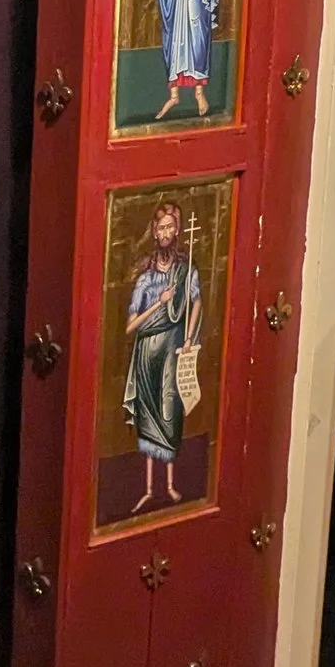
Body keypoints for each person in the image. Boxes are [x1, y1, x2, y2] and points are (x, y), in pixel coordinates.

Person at [122, 201, 201, 513]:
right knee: (148, 420)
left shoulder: (186, 271)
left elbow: (196, 303)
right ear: (154, 232)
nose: (165, 233)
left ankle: (169, 485)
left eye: (170, 227)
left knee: (170, 414)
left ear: (177, 230)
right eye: (161, 228)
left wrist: (189, 338)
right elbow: (131, 326)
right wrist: (159, 303)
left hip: (172, 350)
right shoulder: (146, 280)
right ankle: (148, 488)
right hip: (146, 355)